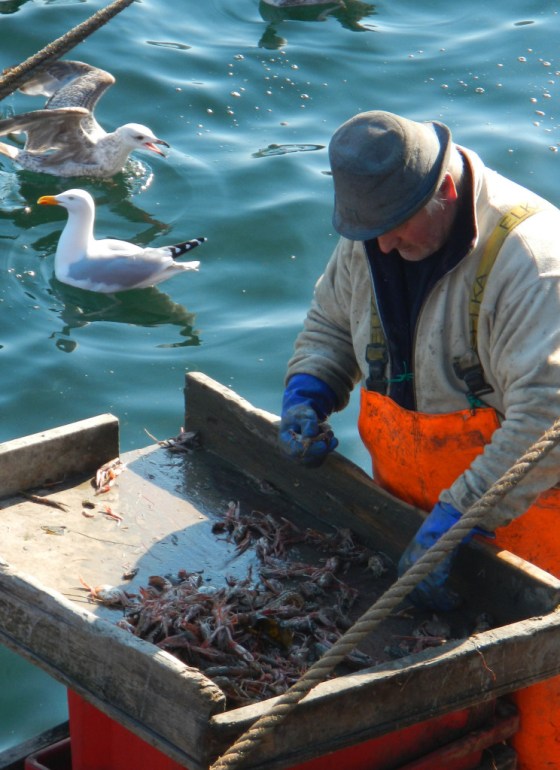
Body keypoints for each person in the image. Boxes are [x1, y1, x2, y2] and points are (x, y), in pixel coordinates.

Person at [278, 109, 560, 768]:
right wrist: (308, 391)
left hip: (535, 530)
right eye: (366, 232)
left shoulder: (532, 264)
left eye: (394, 229)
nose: (379, 247)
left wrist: (460, 519)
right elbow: (331, 322)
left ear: (447, 192)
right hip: (416, 520)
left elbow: (547, 421)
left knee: (542, 718)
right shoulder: (376, 232)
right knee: (434, 718)